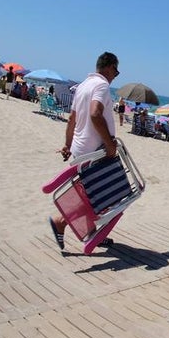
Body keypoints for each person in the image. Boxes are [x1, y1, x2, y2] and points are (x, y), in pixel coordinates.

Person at [49, 52, 121, 251]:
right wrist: (110, 145)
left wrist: (67, 145)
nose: (117, 74)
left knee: (89, 193)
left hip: (80, 149)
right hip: (94, 150)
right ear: (108, 67)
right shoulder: (101, 85)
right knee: (109, 193)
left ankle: (93, 232)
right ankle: (61, 222)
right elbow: (95, 114)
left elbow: (72, 119)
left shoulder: (82, 86)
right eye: (116, 69)